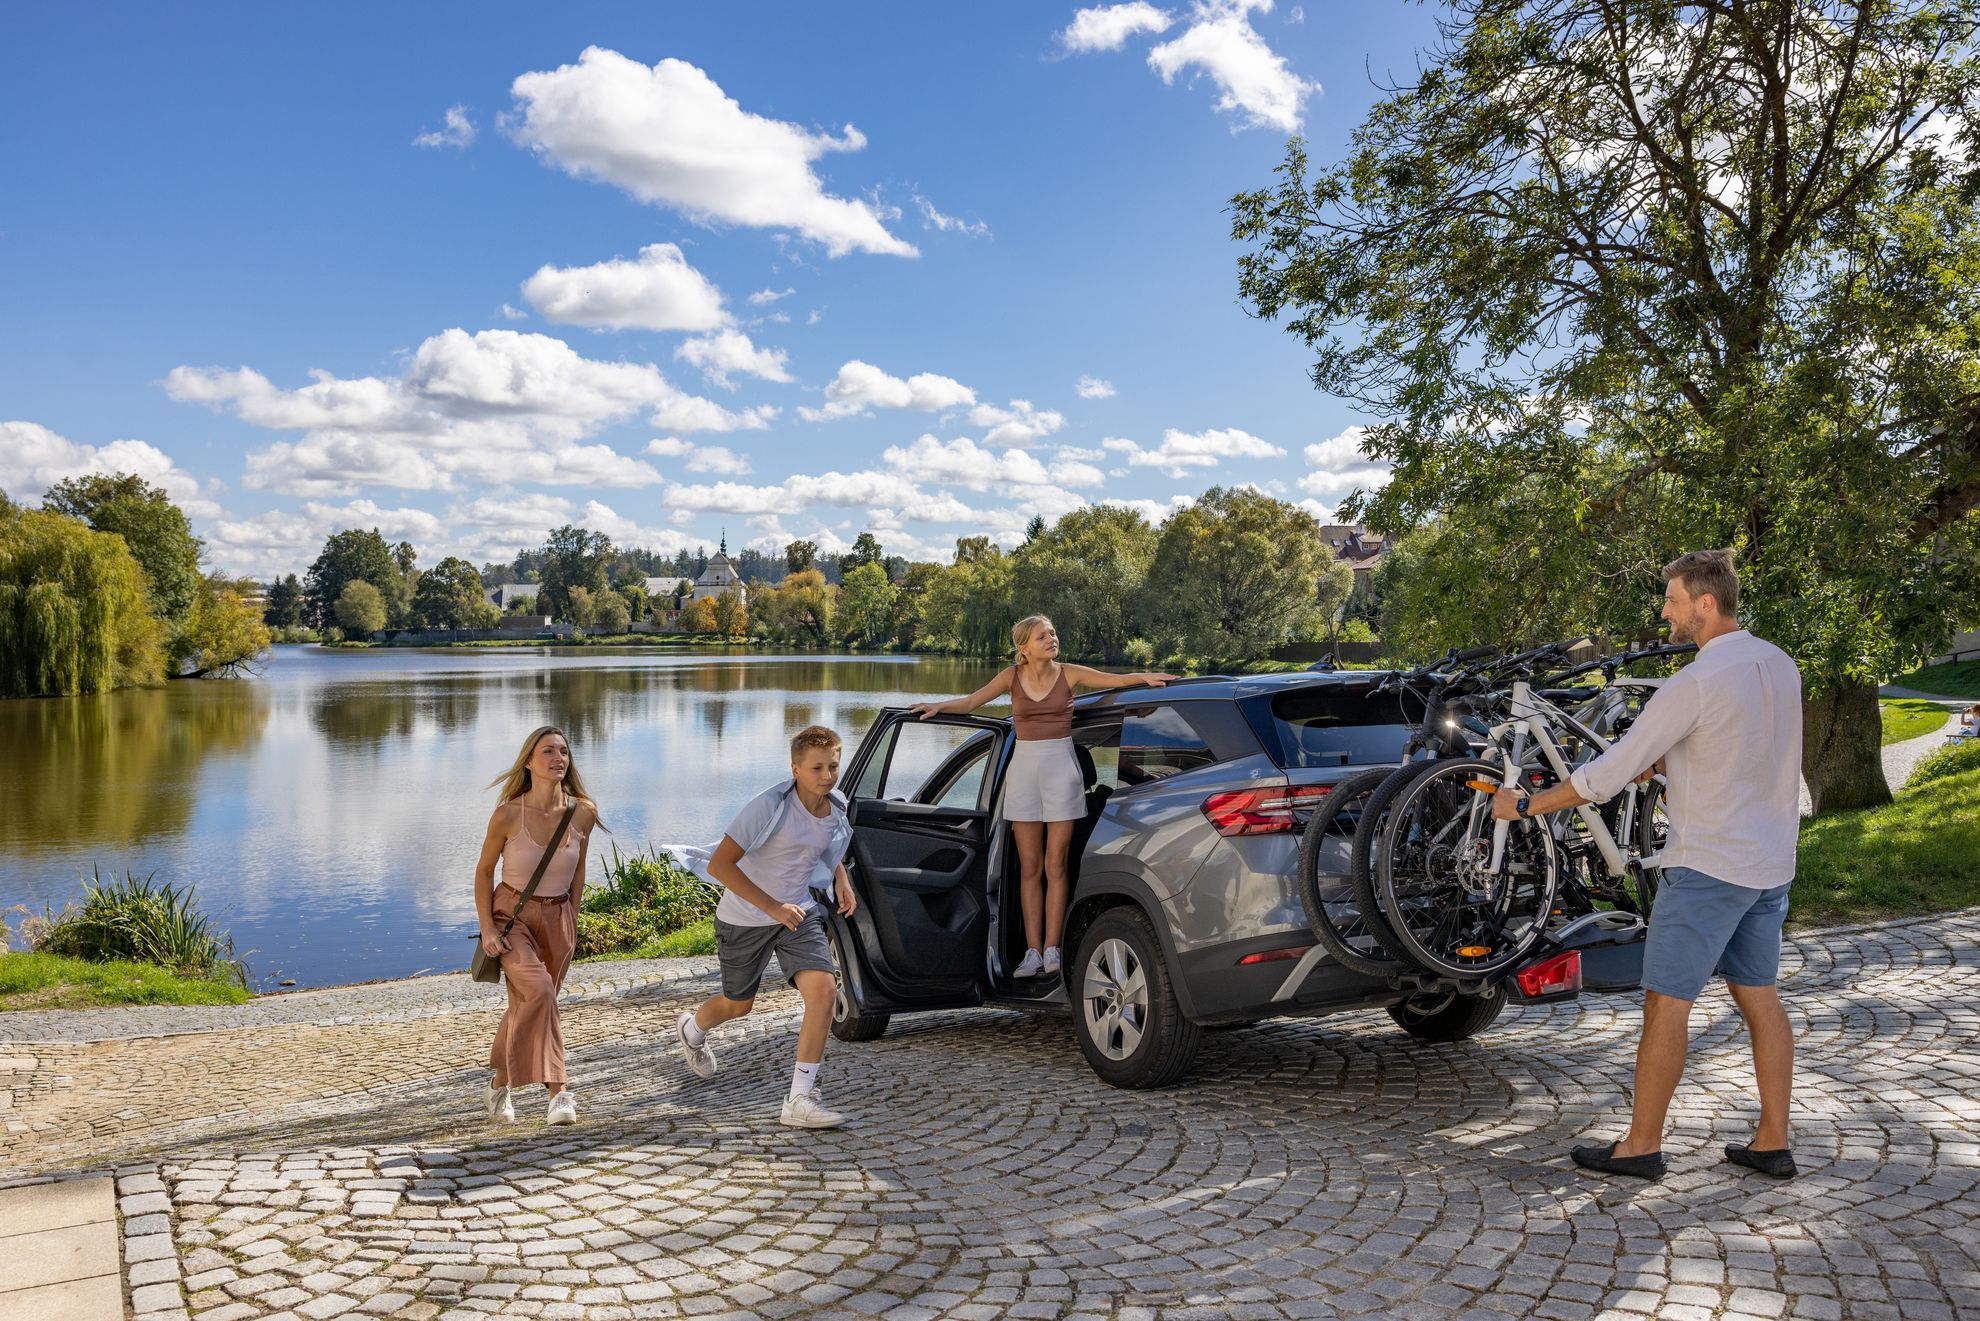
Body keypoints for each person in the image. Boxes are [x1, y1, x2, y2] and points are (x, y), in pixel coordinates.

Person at [1493, 549, 1802, 1181]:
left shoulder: (1694, 681)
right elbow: (1743, 747)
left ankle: (1641, 1146)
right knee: (1760, 998)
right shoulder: (1779, 664)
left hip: (1709, 865)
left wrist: (1524, 804)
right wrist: (1670, 763)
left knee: (1666, 1004)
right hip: (1770, 863)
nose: (1666, 612)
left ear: (1705, 604)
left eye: (1672, 601)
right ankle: (1773, 1139)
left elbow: (1603, 776)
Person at [910, 615, 1175, 979]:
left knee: (1056, 866)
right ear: (1024, 647)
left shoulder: (1069, 673)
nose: (1051, 639)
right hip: (1024, 773)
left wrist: (1145, 679)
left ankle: (1053, 948)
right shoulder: (1010, 677)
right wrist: (938, 707)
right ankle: (1031, 953)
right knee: (1030, 868)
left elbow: (1115, 681)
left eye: (1053, 633)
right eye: (1042, 636)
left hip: (1061, 771)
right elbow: (973, 701)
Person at [674, 725, 858, 1128]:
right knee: (739, 1005)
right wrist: (773, 907)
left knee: (824, 992)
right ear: (795, 768)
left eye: (833, 766)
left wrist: (841, 878)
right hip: (745, 917)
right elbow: (720, 865)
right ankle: (692, 1028)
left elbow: (827, 843)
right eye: (816, 769)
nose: (827, 776)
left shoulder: (836, 806)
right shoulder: (770, 806)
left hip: (799, 914)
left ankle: (799, 1099)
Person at [474, 725, 601, 1126]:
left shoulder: (583, 812)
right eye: (548, 751)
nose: (558, 758)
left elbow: (578, 873)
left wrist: (573, 920)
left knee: (531, 1004)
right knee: (541, 992)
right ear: (529, 761)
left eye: (563, 751)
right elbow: (483, 872)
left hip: (559, 917)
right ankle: (559, 1092)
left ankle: (498, 1086)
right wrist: (488, 929)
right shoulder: (508, 814)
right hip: (511, 918)